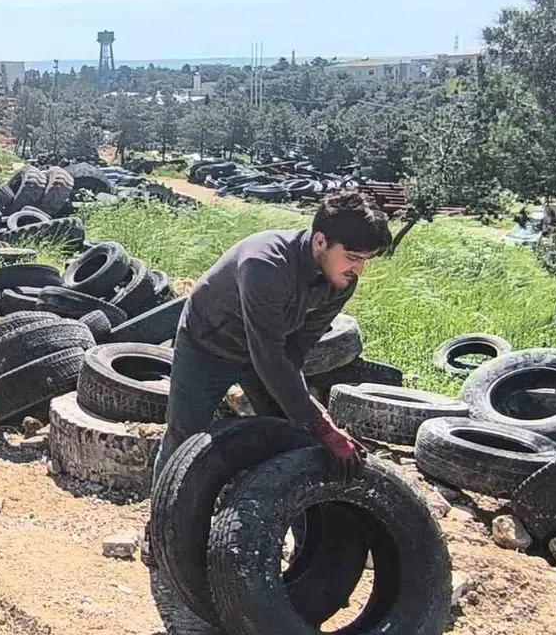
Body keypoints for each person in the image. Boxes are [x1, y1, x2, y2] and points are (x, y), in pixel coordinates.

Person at [154, 190, 393, 482]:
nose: (359, 270)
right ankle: (163, 508)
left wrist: (308, 419)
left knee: (293, 433)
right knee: (184, 438)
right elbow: (268, 357)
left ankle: (283, 502)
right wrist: (322, 426)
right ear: (320, 241)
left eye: (366, 260)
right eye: (353, 257)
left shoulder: (341, 281)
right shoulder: (265, 264)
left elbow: (297, 349)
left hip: (266, 352)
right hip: (207, 346)